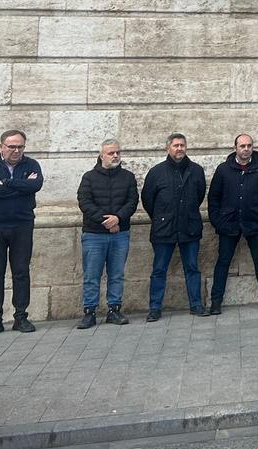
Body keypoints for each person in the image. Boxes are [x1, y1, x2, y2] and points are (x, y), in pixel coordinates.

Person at [0, 130, 43, 337]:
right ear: (1, 147)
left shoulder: (32, 165)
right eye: (11, 146)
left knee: (21, 272)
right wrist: (23, 186)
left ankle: (21, 317)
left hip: (22, 225)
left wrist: (5, 182)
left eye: (20, 147)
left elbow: (36, 185)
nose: (16, 151)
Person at [207, 134, 258, 314]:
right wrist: (217, 220)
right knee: (223, 262)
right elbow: (213, 198)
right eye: (242, 146)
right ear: (235, 147)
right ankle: (216, 301)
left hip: (255, 223)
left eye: (249, 145)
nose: (246, 149)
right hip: (228, 223)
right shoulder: (223, 170)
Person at [142, 133, 208, 321]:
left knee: (192, 268)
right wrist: (161, 217)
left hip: (190, 227)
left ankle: (196, 304)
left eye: (182, 145)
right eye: (176, 145)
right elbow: (148, 200)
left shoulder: (196, 171)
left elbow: (199, 194)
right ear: (168, 148)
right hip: (164, 229)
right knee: (159, 270)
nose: (179, 149)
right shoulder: (156, 172)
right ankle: (155, 308)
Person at [76, 139, 138, 328]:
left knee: (117, 274)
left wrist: (118, 218)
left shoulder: (128, 177)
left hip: (120, 233)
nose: (115, 156)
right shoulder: (89, 177)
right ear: (102, 155)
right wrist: (106, 221)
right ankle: (89, 312)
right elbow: (85, 202)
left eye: (118, 152)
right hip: (94, 234)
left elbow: (132, 201)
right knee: (92, 275)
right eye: (111, 153)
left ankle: (114, 310)